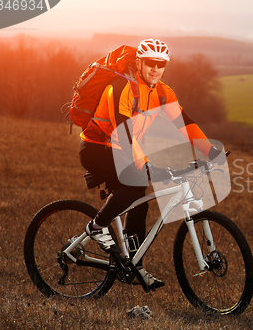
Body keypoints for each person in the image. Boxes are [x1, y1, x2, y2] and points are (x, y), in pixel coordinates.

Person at [78, 38, 223, 290]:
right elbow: (123, 133)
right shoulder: (121, 86)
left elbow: (185, 123)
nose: (155, 69)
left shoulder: (163, 92)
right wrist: (143, 164)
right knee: (133, 188)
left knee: (139, 203)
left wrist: (209, 150)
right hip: (97, 148)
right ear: (139, 63)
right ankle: (96, 227)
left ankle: (136, 266)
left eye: (161, 64)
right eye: (150, 63)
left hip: (123, 149)